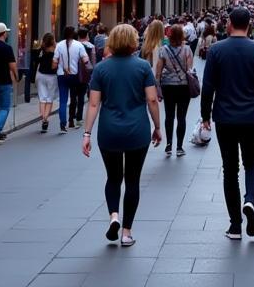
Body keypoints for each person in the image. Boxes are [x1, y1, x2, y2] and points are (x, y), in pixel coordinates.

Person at [201, 7, 254, 240]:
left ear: (229, 24)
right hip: (253, 117)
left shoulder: (216, 50)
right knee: (253, 164)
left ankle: (235, 225)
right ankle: (251, 201)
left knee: (230, 170)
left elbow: (208, 87)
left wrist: (205, 115)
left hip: (224, 117)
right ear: (250, 25)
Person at [82, 24, 161, 248]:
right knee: (133, 179)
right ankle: (127, 232)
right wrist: (157, 126)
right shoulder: (143, 67)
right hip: (137, 130)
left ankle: (114, 216)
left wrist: (87, 133)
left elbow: (94, 103)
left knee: (113, 177)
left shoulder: (101, 69)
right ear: (133, 41)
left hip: (109, 131)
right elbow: (152, 100)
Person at [155, 24, 194, 157]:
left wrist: (158, 87)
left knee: (169, 115)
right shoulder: (187, 50)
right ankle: (179, 147)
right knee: (181, 117)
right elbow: (190, 70)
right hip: (183, 86)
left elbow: (158, 72)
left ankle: (169, 145)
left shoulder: (163, 50)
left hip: (168, 86)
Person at [53, 26, 91, 132]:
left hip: (62, 75)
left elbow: (54, 63)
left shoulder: (59, 45)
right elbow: (86, 60)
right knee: (74, 98)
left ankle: (62, 124)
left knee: (63, 100)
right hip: (74, 75)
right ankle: (71, 120)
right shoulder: (79, 45)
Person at [34, 33, 58, 132]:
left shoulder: (40, 50)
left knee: (42, 98)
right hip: (51, 76)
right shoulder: (55, 51)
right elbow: (54, 66)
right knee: (49, 99)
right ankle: (45, 118)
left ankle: (43, 117)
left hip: (41, 75)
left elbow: (36, 61)